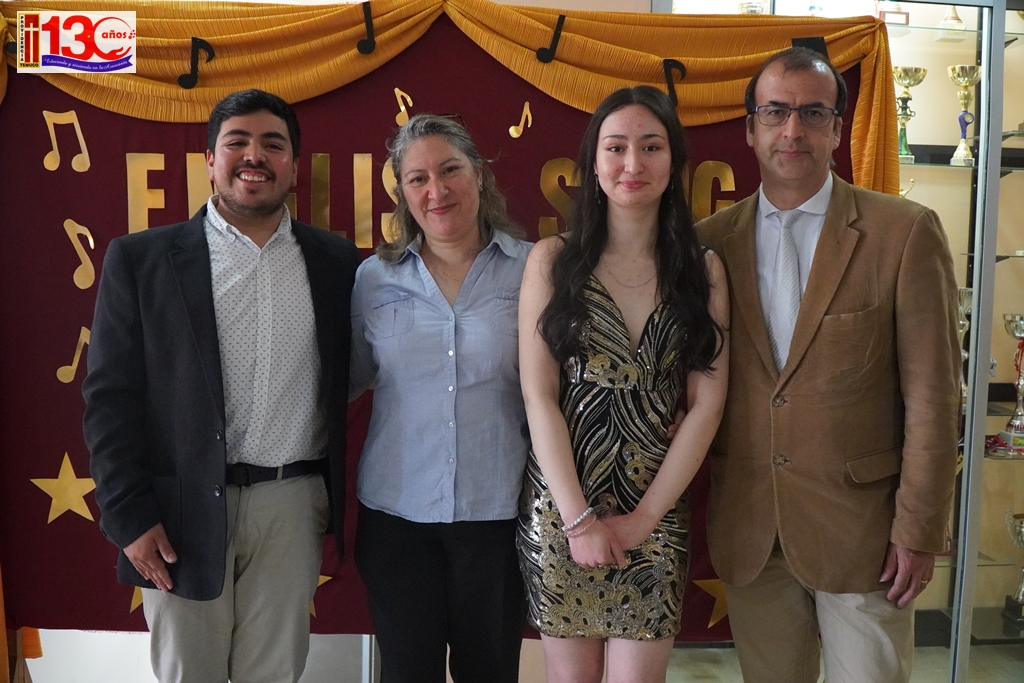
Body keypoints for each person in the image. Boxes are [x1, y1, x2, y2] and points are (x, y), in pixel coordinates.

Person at [696, 47, 961, 683]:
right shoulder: (707, 244)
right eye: (776, 112)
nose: (793, 130)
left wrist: (920, 529)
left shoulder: (903, 233)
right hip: (752, 532)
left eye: (813, 113)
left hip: (866, 538)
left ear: (838, 129)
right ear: (751, 129)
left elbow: (934, 397)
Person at [83, 89, 360, 683]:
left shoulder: (338, 263)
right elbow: (109, 400)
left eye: (272, 144)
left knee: (275, 674)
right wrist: (127, 516)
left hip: (292, 504)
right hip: (179, 509)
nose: (254, 156)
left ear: (293, 166)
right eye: (237, 142)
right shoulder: (142, 260)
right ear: (210, 160)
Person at [517, 86, 729, 683]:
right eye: (616, 147)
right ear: (593, 162)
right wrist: (578, 519)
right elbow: (539, 396)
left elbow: (707, 404)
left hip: (655, 511)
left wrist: (643, 519)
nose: (633, 163)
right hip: (563, 510)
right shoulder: (552, 261)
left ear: (674, 160)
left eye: (651, 147)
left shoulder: (703, 269)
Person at [349, 113, 531, 682]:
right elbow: (351, 378)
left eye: (450, 170)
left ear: (479, 174)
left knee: (491, 671)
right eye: (418, 178)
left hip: (499, 515)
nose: (437, 190)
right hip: (397, 518)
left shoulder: (533, 270)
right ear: (403, 194)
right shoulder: (373, 279)